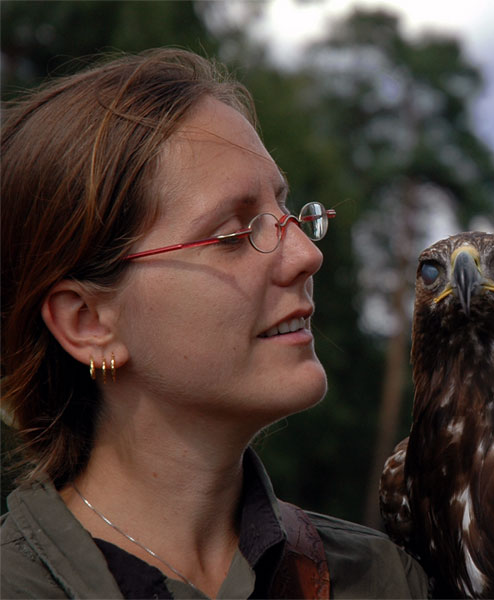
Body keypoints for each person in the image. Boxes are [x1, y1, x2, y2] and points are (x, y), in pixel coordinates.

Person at [0, 48, 428, 599]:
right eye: (235, 233)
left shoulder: (383, 580)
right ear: (88, 322)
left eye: (288, 211)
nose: (305, 255)